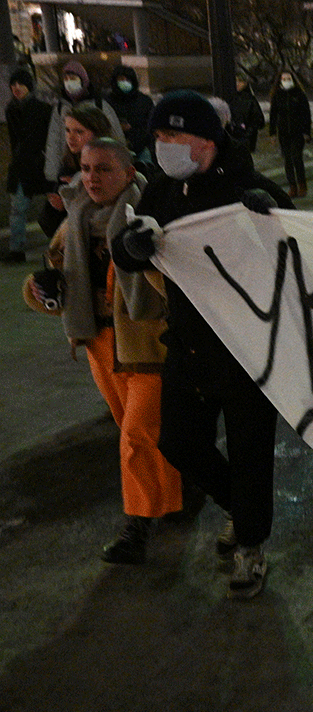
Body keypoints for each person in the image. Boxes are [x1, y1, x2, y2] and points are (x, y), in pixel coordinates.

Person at [112, 91, 294, 600]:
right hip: (188, 346)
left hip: (248, 351)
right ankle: (242, 508)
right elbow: (129, 247)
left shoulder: (249, 187)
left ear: (207, 140)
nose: (164, 146)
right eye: (159, 137)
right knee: (178, 442)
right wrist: (130, 248)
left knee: (250, 451)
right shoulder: (165, 192)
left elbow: (296, 246)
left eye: (175, 136)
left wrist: (273, 216)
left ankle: (251, 548)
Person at [22, 137, 181, 563]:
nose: (92, 177)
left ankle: (138, 525)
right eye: (86, 168)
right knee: (145, 434)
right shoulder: (74, 221)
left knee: (135, 436)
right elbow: (49, 283)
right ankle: (178, 495)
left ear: (129, 173)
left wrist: (143, 258)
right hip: (98, 342)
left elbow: (178, 287)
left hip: (148, 345)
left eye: (104, 168)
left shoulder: (149, 218)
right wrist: (42, 289)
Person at [39, 103, 119, 239]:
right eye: (68, 130)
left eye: (79, 132)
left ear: (97, 132)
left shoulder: (112, 161)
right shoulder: (69, 162)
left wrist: (81, 187)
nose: (71, 137)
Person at [44, 61, 123, 191]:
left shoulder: (99, 105)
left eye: (73, 79)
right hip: (69, 163)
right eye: (66, 79)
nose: (69, 82)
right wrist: (52, 175)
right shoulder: (60, 107)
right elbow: (54, 141)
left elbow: (115, 135)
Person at [5, 68, 53, 263]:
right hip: (21, 167)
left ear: (29, 87)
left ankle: (60, 246)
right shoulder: (11, 110)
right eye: (14, 84)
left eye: (21, 84)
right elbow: (14, 140)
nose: (16, 88)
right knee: (17, 208)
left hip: (40, 165)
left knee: (53, 206)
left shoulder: (42, 109)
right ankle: (16, 249)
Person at [269, 71, 312, 197]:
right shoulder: (278, 95)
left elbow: (306, 114)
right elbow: (273, 115)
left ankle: (302, 185)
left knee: (297, 158)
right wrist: (272, 133)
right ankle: (292, 186)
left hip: (297, 132)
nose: (286, 81)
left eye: (288, 78)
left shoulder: (299, 94)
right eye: (284, 79)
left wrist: (306, 131)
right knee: (288, 160)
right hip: (283, 133)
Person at [105, 65, 154, 162]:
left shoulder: (144, 101)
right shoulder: (107, 102)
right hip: (115, 150)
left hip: (142, 149)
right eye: (121, 79)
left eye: (127, 79)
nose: (125, 82)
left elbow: (150, 125)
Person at [228, 75, 266, 154]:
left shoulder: (250, 99)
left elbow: (258, 120)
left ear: (245, 83)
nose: (237, 84)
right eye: (236, 81)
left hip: (246, 138)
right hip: (234, 137)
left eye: (240, 81)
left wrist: (248, 132)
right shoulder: (230, 98)